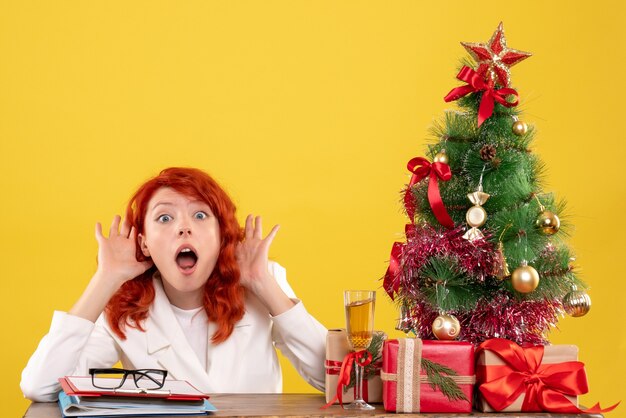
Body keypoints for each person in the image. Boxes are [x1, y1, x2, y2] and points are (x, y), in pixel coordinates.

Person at [21, 167, 327, 402]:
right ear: (144, 242)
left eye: (199, 215)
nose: (183, 228)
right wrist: (105, 278)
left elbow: (338, 382)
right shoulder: (123, 306)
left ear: (222, 235)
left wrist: (264, 284)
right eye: (165, 218)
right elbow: (41, 386)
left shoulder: (264, 283)